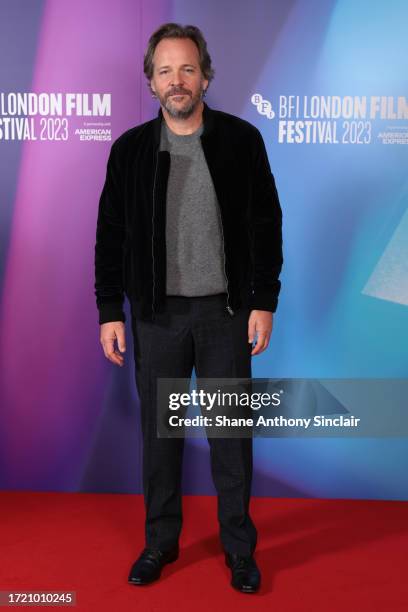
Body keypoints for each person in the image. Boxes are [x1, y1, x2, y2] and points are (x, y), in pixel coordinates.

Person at [94, 22, 283, 594]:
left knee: (231, 440)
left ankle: (239, 551)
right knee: (161, 441)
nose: (177, 81)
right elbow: (110, 236)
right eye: (165, 70)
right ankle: (159, 543)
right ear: (150, 82)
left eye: (188, 69)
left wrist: (263, 300)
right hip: (157, 318)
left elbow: (266, 224)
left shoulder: (241, 142)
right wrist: (110, 310)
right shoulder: (129, 151)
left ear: (206, 76)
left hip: (226, 317)